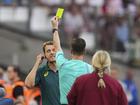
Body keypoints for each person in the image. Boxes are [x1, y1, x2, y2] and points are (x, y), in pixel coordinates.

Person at [51, 16, 93, 105]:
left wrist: (55, 28)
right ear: (84, 51)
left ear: (71, 51)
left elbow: (57, 47)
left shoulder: (62, 64)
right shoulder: (90, 69)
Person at [25, 41, 61, 105]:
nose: (52, 52)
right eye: (48, 51)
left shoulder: (66, 69)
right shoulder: (41, 71)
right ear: (44, 55)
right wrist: (37, 63)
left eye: (53, 50)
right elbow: (28, 84)